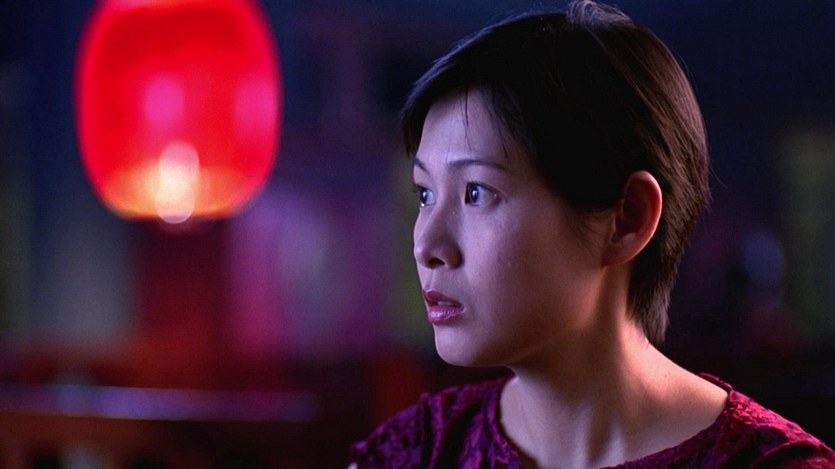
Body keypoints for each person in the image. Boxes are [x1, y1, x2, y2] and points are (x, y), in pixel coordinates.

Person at [350, 1, 835, 467]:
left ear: (627, 219)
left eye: (476, 192)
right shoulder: (413, 452)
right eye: (425, 194)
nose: (426, 246)